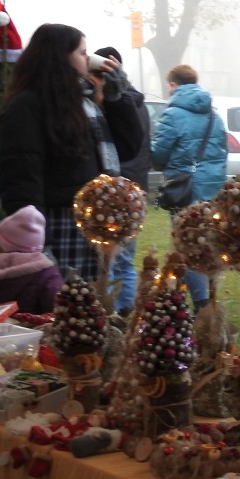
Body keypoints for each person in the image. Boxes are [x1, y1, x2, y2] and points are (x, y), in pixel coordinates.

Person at [0, 23, 145, 282]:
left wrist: (117, 98)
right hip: (59, 225)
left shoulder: (84, 102)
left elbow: (128, 147)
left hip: (94, 222)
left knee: (93, 302)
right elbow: (22, 180)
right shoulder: (27, 106)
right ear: (59, 57)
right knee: (64, 302)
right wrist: (36, 242)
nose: (88, 59)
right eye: (82, 52)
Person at [150, 64, 228, 310]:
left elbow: (158, 155)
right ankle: (206, 298)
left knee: (187, 244)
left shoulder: (172, 114)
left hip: (185, 190)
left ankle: (201, 303)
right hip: (212, 188)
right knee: (207, 244)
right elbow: (221, 152)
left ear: (174, 85)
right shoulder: (214, 114)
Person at [96, 47, 151, 317]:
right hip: (137, 188)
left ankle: (113, 312)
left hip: (115, 189)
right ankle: (125, 311)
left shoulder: (112, 102)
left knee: (110, 259)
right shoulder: (138, 102)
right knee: (124, 258)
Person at [0, 205, 63, 314]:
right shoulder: (47, 275)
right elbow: (59, 312)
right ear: (37, 246)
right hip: (31, 325)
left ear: (0, 243)